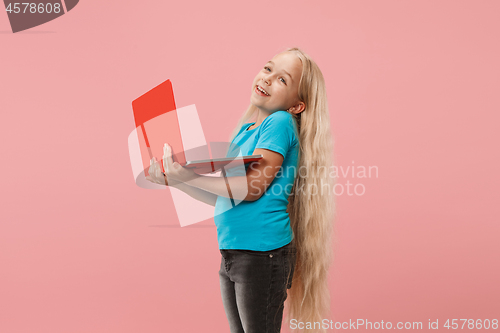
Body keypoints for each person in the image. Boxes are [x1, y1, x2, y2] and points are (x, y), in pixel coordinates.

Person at [146, 47, 336, 333]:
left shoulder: (280, 122)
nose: (268, 78)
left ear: (297, 106)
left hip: (261, 255)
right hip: (234, 252)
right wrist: (178, 179)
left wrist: (186, 175)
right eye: (268, 68)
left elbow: (252, 188)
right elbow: (224, 195)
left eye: (283, 80)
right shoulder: (246, 131)